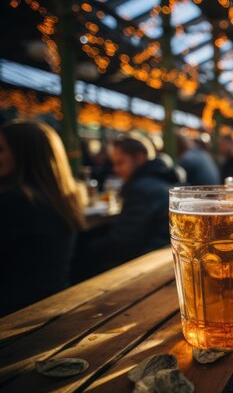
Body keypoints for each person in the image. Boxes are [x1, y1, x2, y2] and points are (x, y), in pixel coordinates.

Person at [0, 121, 84, 314]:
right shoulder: (65, 197)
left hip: (15, 313)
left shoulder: (15, 201)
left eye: (1, 149)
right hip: (57, 300)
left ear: (24, 155)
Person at [79, 136, 180, 275]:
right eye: (114, 164)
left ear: (139, 157)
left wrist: (82, 248)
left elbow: (121, 244)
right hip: (163, 260)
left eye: (120, 163)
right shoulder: (164, 178)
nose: (115, 169)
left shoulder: (141, 190)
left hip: (147, 267)